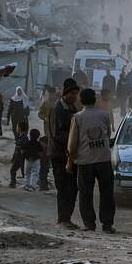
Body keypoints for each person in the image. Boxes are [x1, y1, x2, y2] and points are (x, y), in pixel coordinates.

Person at [66, 88, 116, 233]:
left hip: (85, 161)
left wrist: (70, 161)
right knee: (107, 193)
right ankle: (107, 224)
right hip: (104, 159)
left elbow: (72, 143)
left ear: (81, 101)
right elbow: (107, 134)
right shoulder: (104, 115)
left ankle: (89, 224)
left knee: (85, 194)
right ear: (95, 99)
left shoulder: (78, 117)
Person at [51, 81, 81, 229]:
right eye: (72, 94)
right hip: (60, 154)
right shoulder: (58, 109)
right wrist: (73, 142)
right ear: (65, 94)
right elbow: (58, 134)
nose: (74, 96)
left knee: (72, 188)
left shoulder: (71, 108)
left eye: (76, 94)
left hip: (71, 154)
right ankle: (62, 219)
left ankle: (66, 218)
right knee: (63, 187)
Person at [8, 87, 31, 188]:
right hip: (15, 121)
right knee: (17, 138)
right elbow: (9, 109)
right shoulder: (13, 99)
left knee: (20, 140)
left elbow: (27, 110)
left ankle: (17, 155)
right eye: (17, 91)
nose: (18, 92)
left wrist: (25, 114)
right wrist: (8, 118)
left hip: (22, 121)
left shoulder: (24, 99)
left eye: (20, 91)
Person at [37, 85, 57, 191]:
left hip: (56, 132)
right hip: (48, 131)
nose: (52, 95)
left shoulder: (58, 103)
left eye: (53, 93)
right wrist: (44, 117)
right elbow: (39, 113)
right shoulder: (45, 103)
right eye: (50, 93)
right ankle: (43, 182)